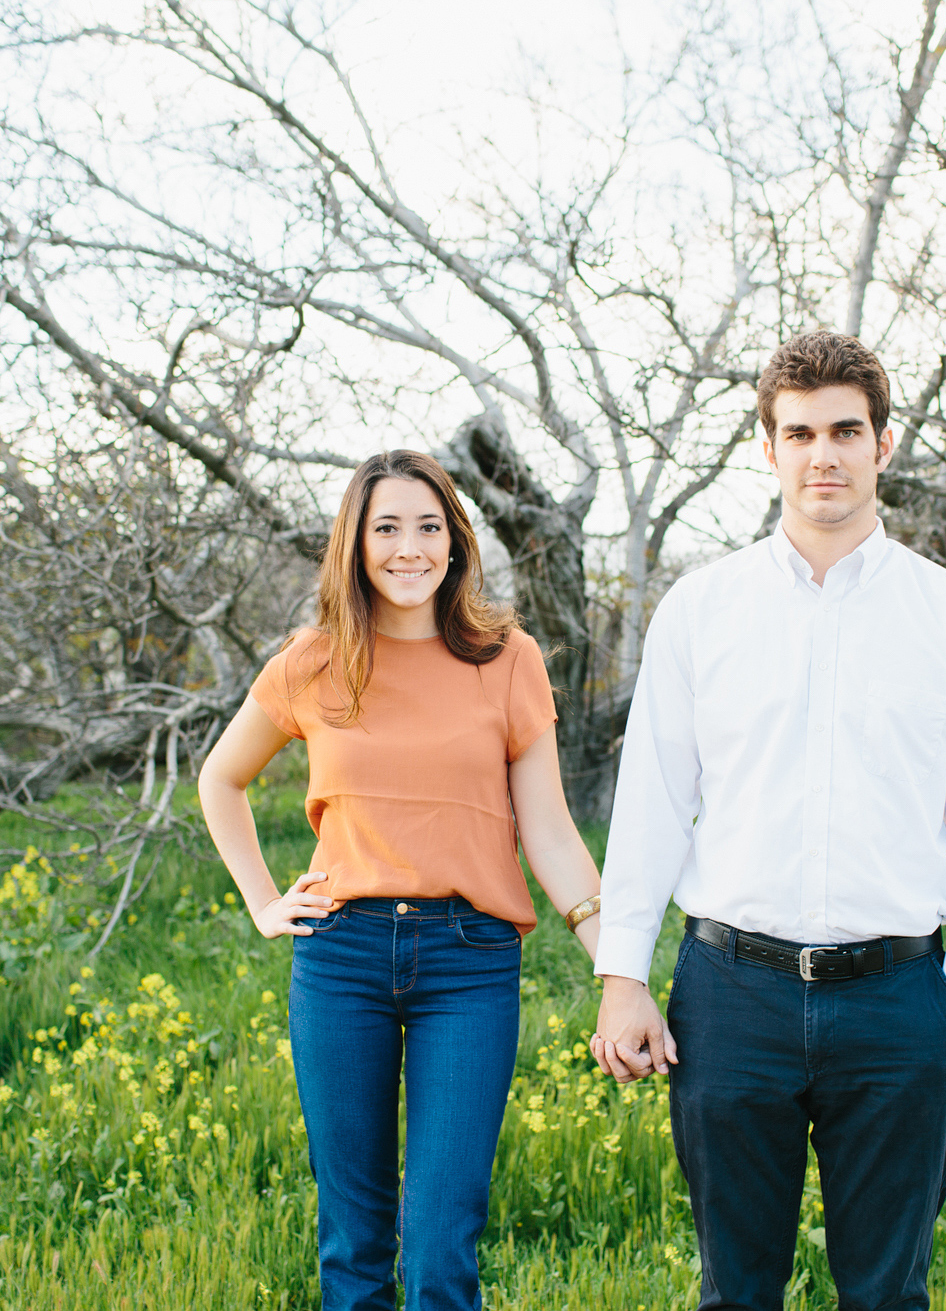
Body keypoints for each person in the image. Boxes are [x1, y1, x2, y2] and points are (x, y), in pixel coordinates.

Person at [589, 330, 946, 1311]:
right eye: (798, 433)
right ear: (768, 447)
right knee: (735, 1292)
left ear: (881, 444)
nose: (821, 453)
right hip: (730, 998)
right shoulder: (701, 610)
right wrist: (622, 977)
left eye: (844, 430)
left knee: (886, 1295)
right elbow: (653, 798)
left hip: (899, 999)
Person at [197, 449, 604, 1311]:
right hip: (341, 957)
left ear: (456, 543)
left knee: (443, 1237)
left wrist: (617, 965)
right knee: (354, 1237)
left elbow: (552, 831)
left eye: (429, 526)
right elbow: (218, 779)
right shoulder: (312, 659)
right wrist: (265, 902)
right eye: (387, 527)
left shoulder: (508, 657)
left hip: (469, 961)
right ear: (357, 542)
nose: (409, 547)